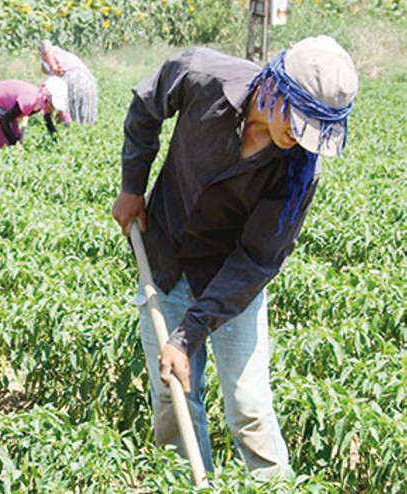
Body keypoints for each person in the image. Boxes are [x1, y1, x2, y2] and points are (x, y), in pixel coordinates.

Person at [111, 36, 358, 477]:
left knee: (249, 407)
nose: (300, 138)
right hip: (167, 256)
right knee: (172, 395)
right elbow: (147, 105)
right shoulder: (204, 76)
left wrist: (187, 336)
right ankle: (187, 483)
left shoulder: (299, 170)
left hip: (229, 284)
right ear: (276, 87)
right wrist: (133, 185)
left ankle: (272, 486)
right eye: (300, 121)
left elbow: (257, 259)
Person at [0, 76, 68, 149]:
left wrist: (57, 141)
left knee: (9, 139)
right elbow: (4, 121)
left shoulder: (44, 103)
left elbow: (49, 123)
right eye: (52, 105)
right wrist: (15, 144)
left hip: (7, 109)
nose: (53, 109)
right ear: (47, 99)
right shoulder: (30, 100)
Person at [40, 39, 98, 125]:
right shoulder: (65, 56)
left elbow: (46, 45)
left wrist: (53, 67)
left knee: (71, 114)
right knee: (85, 114)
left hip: (73, 80)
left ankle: (72, 127)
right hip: (89, 82)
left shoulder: (52, 56)